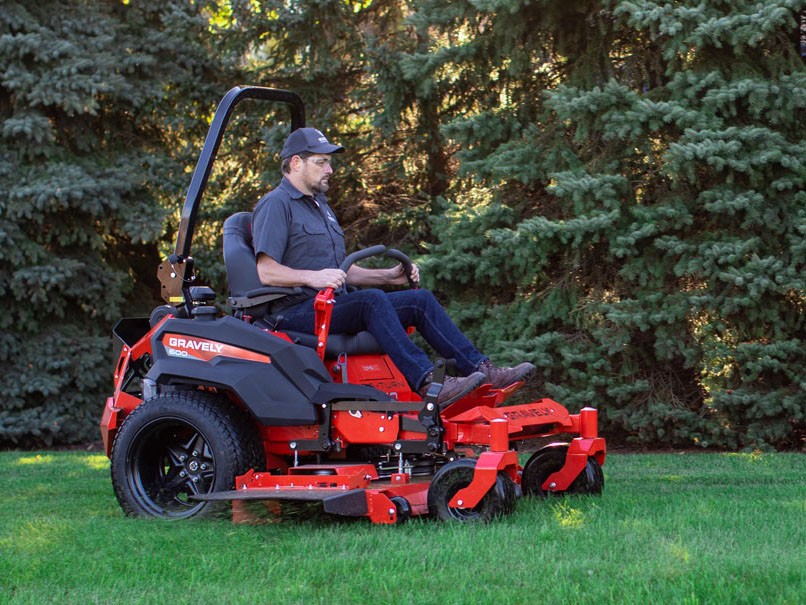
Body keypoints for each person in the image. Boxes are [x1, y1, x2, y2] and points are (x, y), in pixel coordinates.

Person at [252, 127, 535, 407]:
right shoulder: (276, 204)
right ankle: (427, 382)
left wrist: (387, 276)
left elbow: (339, 272)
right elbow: (266, 272)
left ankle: (483, 371)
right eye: (321, 162)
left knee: (419, 300)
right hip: (296, 312)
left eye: (330, 162)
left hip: (332, 304)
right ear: (295, 163)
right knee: (371, 301)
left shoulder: (321, 207)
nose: (330, 170)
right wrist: (313, 278)